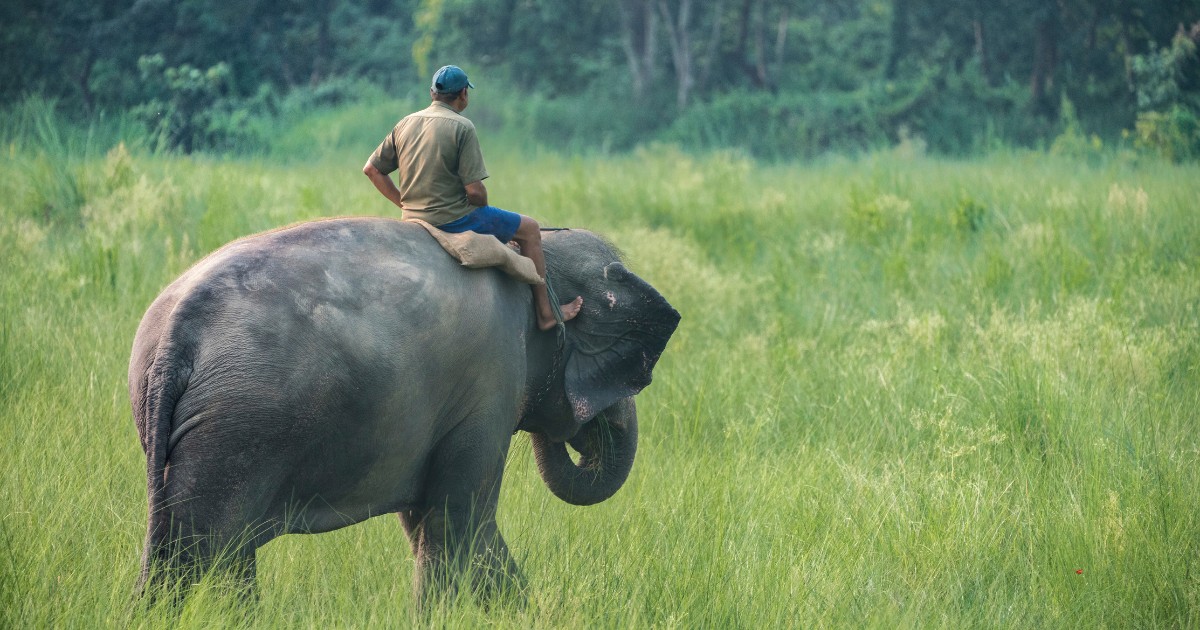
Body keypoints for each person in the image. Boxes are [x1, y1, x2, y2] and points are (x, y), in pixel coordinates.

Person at [363, 64, 582, 331]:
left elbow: (372, 170)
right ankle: (546, 313)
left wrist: (405, 204)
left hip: (412, 218)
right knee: (531, 229)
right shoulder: (462, 127)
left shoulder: (405, 123)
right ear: (463, 94)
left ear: (432, 93)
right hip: (453, 220)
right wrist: (487, 218)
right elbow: (475, 192)